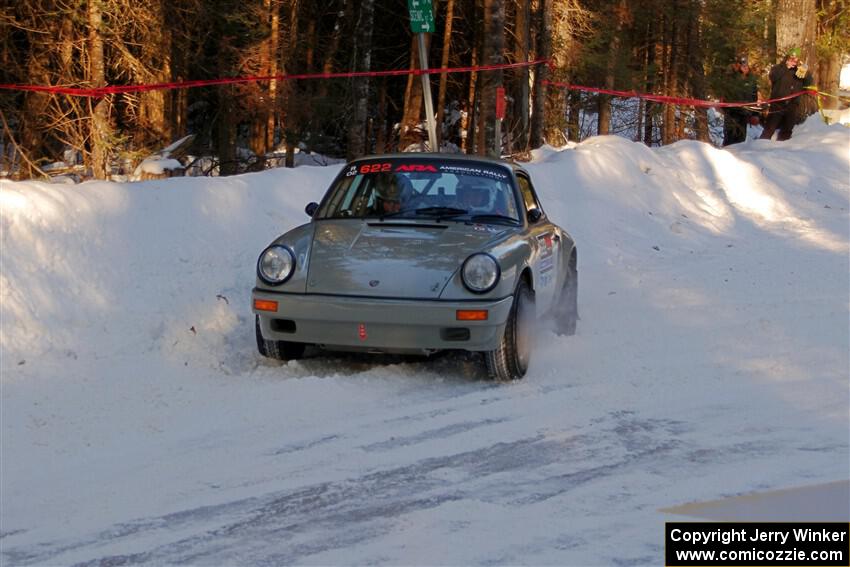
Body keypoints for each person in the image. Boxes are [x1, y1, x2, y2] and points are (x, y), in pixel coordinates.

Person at [759, 47, 814, 141]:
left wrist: (806, 74)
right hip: (777, 104)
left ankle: (784, 150)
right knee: (769, 128)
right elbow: (773, 77)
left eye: (796, 58)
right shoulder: (777, 68)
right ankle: (760, 145)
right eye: (792, 57)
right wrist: (786, 67)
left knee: (787, 129)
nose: (793, 60)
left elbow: (808, 84)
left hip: (793, 104)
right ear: (787, 58)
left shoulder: (800, 71)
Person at [722, 56, 759, 146]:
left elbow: (754, 96)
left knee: (741, 139)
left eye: (745, 63)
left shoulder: (751, 78)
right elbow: (725, 93)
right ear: (738, 65)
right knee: (729, 137)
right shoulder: (731, 76)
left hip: (745, 112)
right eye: (742, 64)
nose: (744, 66)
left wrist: (755, 113)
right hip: (732, 112)